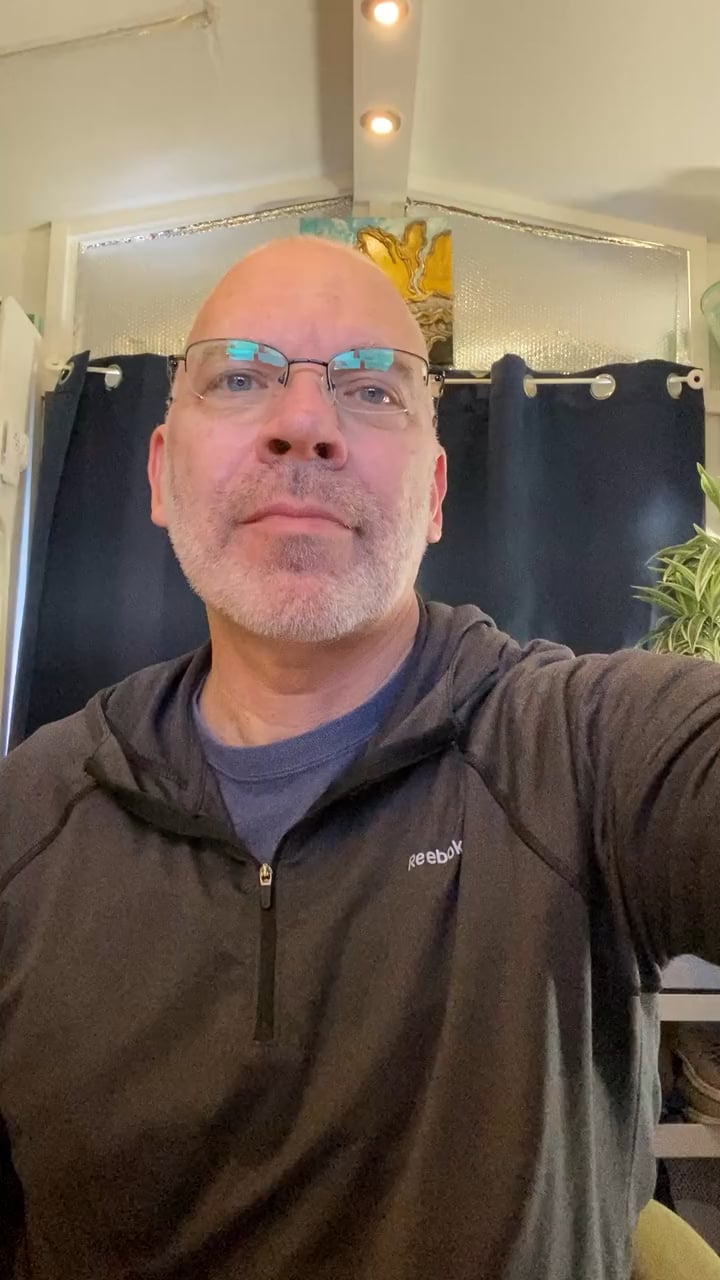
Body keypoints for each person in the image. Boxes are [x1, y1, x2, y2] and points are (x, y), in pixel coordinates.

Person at [0, 235, 717, 1280]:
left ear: (433, 495)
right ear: (159, 473)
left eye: (372, 389)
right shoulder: (25, 817)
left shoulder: (582, 748)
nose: (305, 422)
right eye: (240, 377)